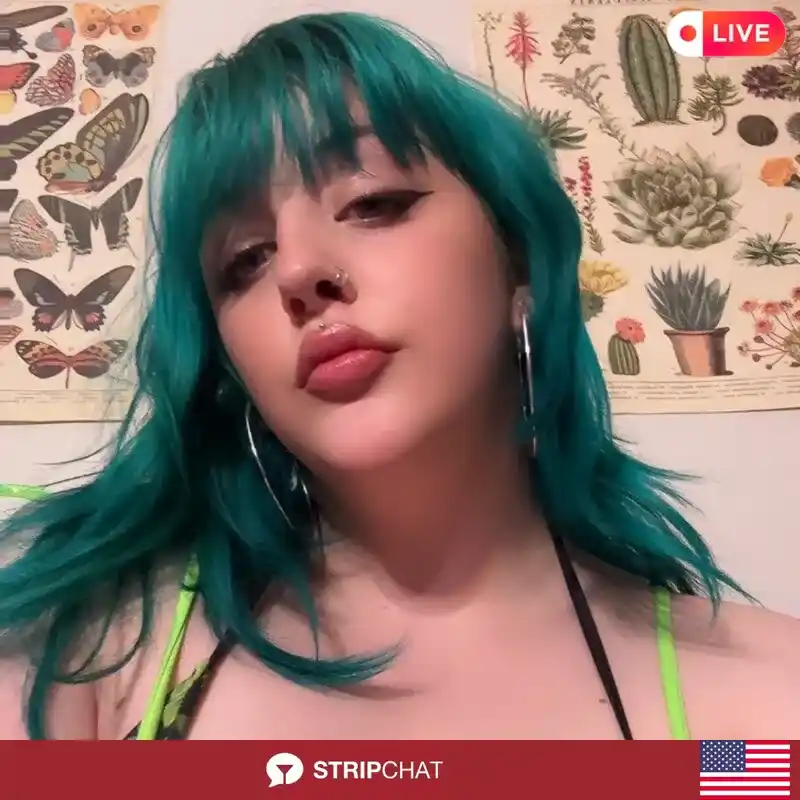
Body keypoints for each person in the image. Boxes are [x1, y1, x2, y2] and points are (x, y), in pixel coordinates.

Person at [0, 11, 798, 742]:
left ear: (519, 262)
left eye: (374, 204)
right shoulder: (83, 654)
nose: (299, 272)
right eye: (245, 260)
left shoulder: (760, 714)